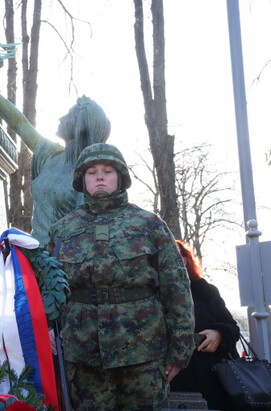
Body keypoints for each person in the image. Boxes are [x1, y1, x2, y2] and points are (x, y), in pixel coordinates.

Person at [48, 143, 195, 410]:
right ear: (82, 179)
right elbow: (48, 287)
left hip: (143, 351)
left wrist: (180, 349)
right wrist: (48, 326)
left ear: (120, 177)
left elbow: (176, 288)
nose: (100, 177)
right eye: (92, 172)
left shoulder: (149, 225)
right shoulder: (62, 230)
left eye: (107, 171)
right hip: (83, 354)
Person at [0, 70, 110, 247]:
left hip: (67, 257)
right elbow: (19, 123)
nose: (61, 118)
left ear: (80, 127)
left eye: (69, 115)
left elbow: (96, 229)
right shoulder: (50, 154)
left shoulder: (90, 175)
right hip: (37, 254)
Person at [170, 240, 240, 411]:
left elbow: (233, 328)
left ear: (186, 259)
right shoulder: (149, 295)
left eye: (177, 254)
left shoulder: (206, 290)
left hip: (211, 381)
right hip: (171, 381)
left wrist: (219, 333)